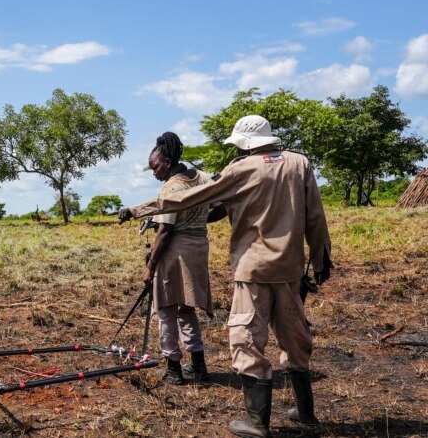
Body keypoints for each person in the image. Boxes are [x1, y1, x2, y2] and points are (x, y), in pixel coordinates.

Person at [122, 115, 332, 437]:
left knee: (247, 340)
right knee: (295, 337)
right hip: (290, 270)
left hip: (253, 271)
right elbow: (315, 215)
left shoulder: (240, 169)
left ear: (244, 143)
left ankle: (257, 423)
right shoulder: (299, 163)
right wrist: (320, 260)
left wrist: (138, 209)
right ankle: (306, 414)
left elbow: (187, 199)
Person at [120, 132, 223, 385]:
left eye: (155, 167)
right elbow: (225, 205)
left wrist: (150, 266)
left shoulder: (171, 187)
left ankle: (174, 369)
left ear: (166, 161)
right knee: (187, 309)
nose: (153, 172)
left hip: (175, 252)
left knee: (165, 308)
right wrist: (201, 222)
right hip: (199, 248)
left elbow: (164, 231)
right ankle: (199, 367)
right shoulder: (202, 177)